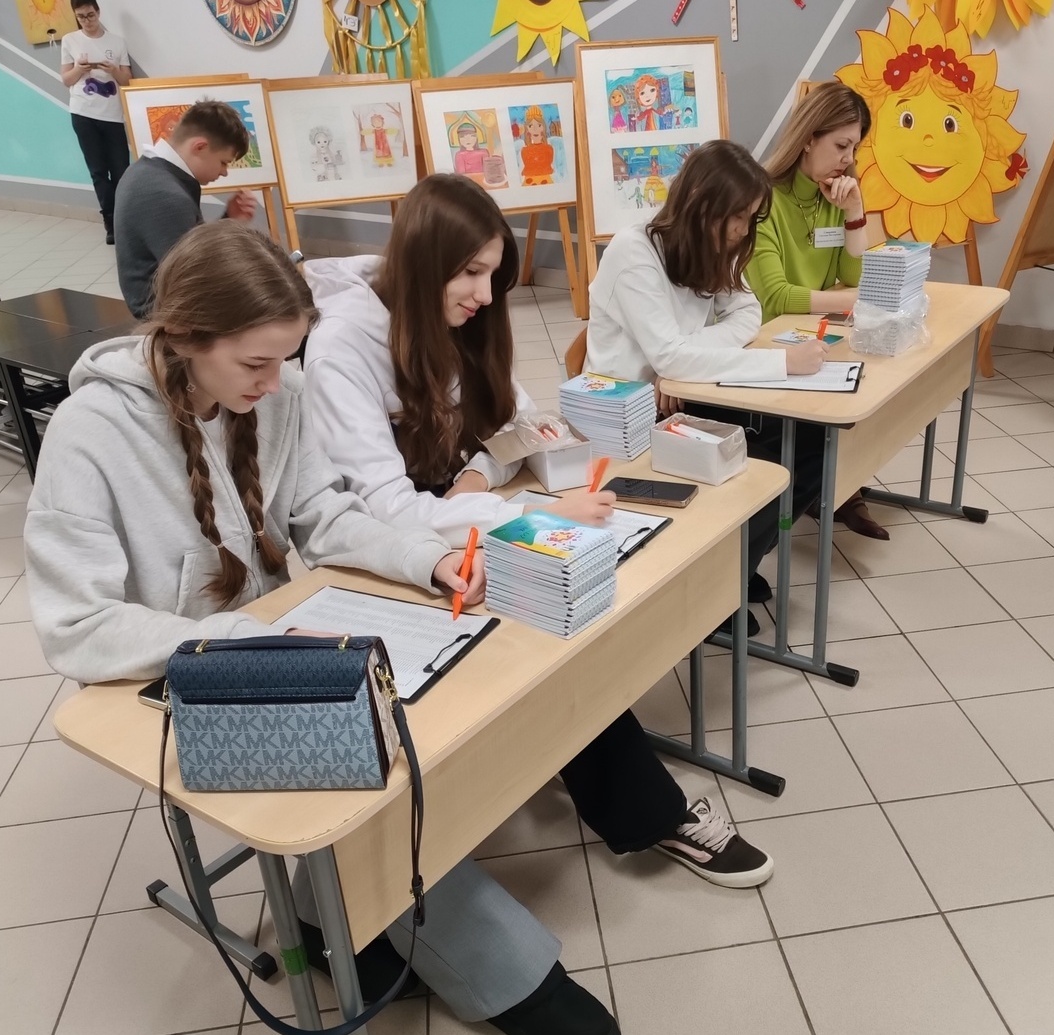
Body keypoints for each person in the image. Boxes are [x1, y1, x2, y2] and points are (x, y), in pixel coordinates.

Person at [24, 221, 617, 1035]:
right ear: (187, 337)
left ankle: (344, 926)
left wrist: (427, 560)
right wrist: (246, 642)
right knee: (382, 795)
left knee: (446, 714)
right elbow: (75, 626)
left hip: (282, 641)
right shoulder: (90, 433)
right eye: (255, 364)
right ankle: (524, 985)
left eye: (283, 359)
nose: (274, 383)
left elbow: (324, 518)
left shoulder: (281, 394)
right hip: (182, 676)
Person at [301, 173, 775, 891]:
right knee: (552, 622)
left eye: (493, 276)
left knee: (573, 604)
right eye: (470, 273)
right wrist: (534, 516)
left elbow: (520, 422)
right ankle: (654, 814)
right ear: (426, 262)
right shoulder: (344, 347)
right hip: (390, 558)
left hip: (455, 527)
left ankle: (595, 769)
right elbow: (387, 511)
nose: (484, 296)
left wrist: (480, 474)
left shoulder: (453, 316)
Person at [585, 139, 829, 630]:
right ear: (700, 203)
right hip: (629, 420)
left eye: (749, 218)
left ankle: (737, 565)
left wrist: (682, 361)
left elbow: (747, 313)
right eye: (735, 216)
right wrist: (779, 363)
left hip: (683, 395)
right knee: (763, 461)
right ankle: (717, 590)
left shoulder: (713, 244)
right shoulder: (635, 251)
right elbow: (670, 355)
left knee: (810, 440)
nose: (741, 230)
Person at [748, 81, 890, 541]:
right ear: (808, 138)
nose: (848, 158)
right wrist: (852, 302)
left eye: (854, 148)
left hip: (813, 334)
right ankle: (826, 492)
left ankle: (840, 487)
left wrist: (854, 210)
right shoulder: (763, 198)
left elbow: (854, 274)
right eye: (841, 145)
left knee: (875, 383)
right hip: (766, 342)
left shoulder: (835, 194)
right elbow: (775, 297)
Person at [113, 100, 260, 319]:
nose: (224, 172)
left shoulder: (146, 170)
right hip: (171, 316)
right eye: (223, 162)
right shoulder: (166, 196)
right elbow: (200, 276)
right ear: (200, 147)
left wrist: (229, 220)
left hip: (170, 304)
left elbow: (194, 249)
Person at [60, 0, 131, 245]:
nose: (87, 21)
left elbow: (127, 81)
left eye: (90, 15)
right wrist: (79, 69)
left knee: (121, 170)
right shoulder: (70, 40)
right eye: (81, 17)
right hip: (83, 113)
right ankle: (110, 223)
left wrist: (113, 70)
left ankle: (125, 220)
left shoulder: (117, 42)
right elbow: (66, 79)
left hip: (112, 115)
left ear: (98, 12)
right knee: (98, 172)